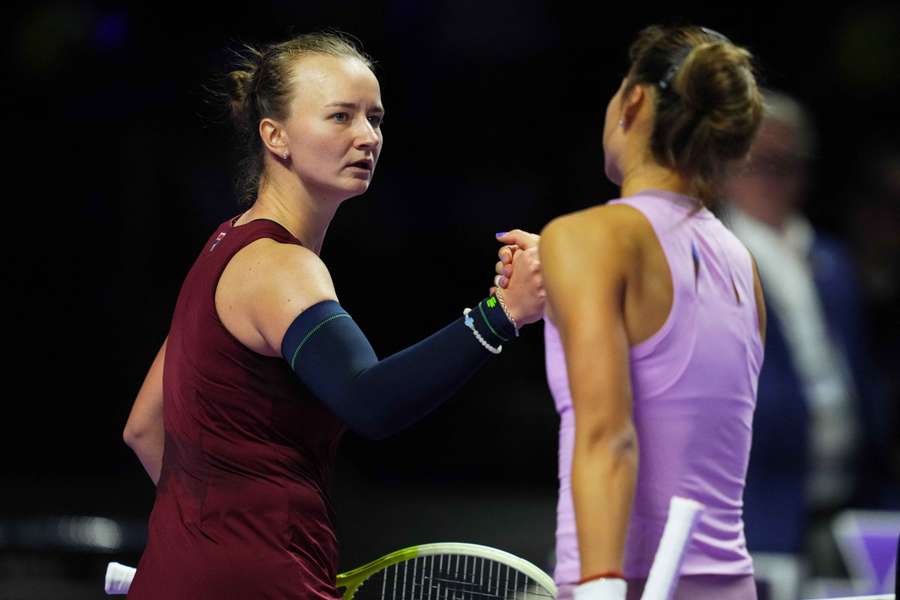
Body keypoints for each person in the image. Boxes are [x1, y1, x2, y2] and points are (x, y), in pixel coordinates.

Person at [121, 32, 545, 599]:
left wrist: (216, 535)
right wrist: (503, 315)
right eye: (340, 117)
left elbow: (144, 428)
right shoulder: (280, 269)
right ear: (274, 135)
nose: (367, 137)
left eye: (375, 118)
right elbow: (370, 401)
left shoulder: (225, 246)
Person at [513, 25, 766, 600]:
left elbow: (609, 437)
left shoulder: (588, 237)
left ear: (633, 101)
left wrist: (601, 588)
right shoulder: (742, 263)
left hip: (624, 582)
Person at [722, 89, 891, 599]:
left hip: (845, 498)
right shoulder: (710, 257)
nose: (776, 179)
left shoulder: (830, 259)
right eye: (761, 163)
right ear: (728, 166)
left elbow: (856, 368)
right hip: (757, 504)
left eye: (789, 164)